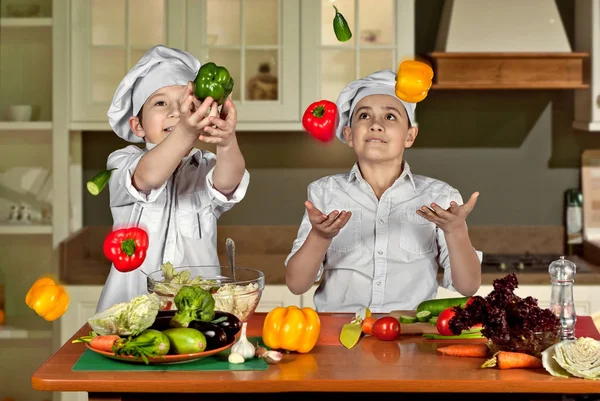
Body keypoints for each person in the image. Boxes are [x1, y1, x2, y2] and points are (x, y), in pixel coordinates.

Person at [285, 69, 482, 313]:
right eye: (364, 115)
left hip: (410, 337)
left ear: (410, 136)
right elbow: (296, 284)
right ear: (348, 134)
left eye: (390, 117)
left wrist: (456, 231)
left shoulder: (439, 196)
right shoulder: (324, 193)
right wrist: (320, 236)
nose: (376, 125)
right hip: (337, 335)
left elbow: (468, 286)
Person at [96, 45, 249, 312]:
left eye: (185, 104)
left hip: (197, 317)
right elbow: (147, 177)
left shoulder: (204, 167)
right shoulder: (121, 163)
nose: (175, 112)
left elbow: (228, 182)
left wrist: (226, 140)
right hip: (129, 313)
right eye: (160, 103)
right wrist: (187, 130)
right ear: (138, 126)